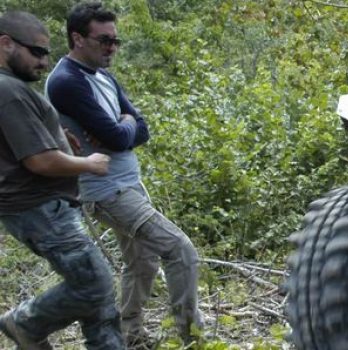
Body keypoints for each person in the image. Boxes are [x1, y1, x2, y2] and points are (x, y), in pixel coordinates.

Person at [46, 3, 203, 348]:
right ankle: (193, 337)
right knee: (180, 250)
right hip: (106, 190)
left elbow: (138, 130)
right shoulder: (65, 82)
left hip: (127, 183)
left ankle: (131, 337)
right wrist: (123, 126)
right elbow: (119, 137)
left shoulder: (103, 76)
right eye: (104, 41)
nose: (112, 48)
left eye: (116, 41)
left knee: (142, 261)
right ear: (77, 38)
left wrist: (125, 123)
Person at [0, 10, 123, 350]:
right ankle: (25, 322)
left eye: (46, 53)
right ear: (6, 43)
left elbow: (25, 146)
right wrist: (87, 163)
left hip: (44, 206)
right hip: (38, 208)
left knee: (96, 296)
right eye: (36, 51)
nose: (43, 61)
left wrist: (54, 137)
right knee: (95, 284)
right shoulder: (7, 90)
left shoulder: (12, 89)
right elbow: (39, 161)